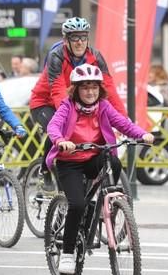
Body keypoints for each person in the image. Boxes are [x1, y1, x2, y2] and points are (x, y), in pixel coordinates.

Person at [45, 64, 153, 275]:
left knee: (112, 160)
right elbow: (53, 126)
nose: (90, 92)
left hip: (93, 157)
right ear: (76, 90)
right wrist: (60, 141)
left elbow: (123, 124)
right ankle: (67, 253)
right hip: (70, 162)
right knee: (76, 205)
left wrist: (142, 134)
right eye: (85, 87)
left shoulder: (103, 106)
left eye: (94, 87)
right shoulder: (68, 106)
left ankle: (106, 199)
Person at [30, 16, 126, 190]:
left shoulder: (95, 56)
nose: (80, 42)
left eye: (83, 37)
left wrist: (123, 119)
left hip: (75, 103)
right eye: (75, 37)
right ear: (66, 40)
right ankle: (45, 169)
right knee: (58, 128)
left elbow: (109, 88)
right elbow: (58, 90)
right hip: (44, 102)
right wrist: (70, 115)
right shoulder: (56, 55)